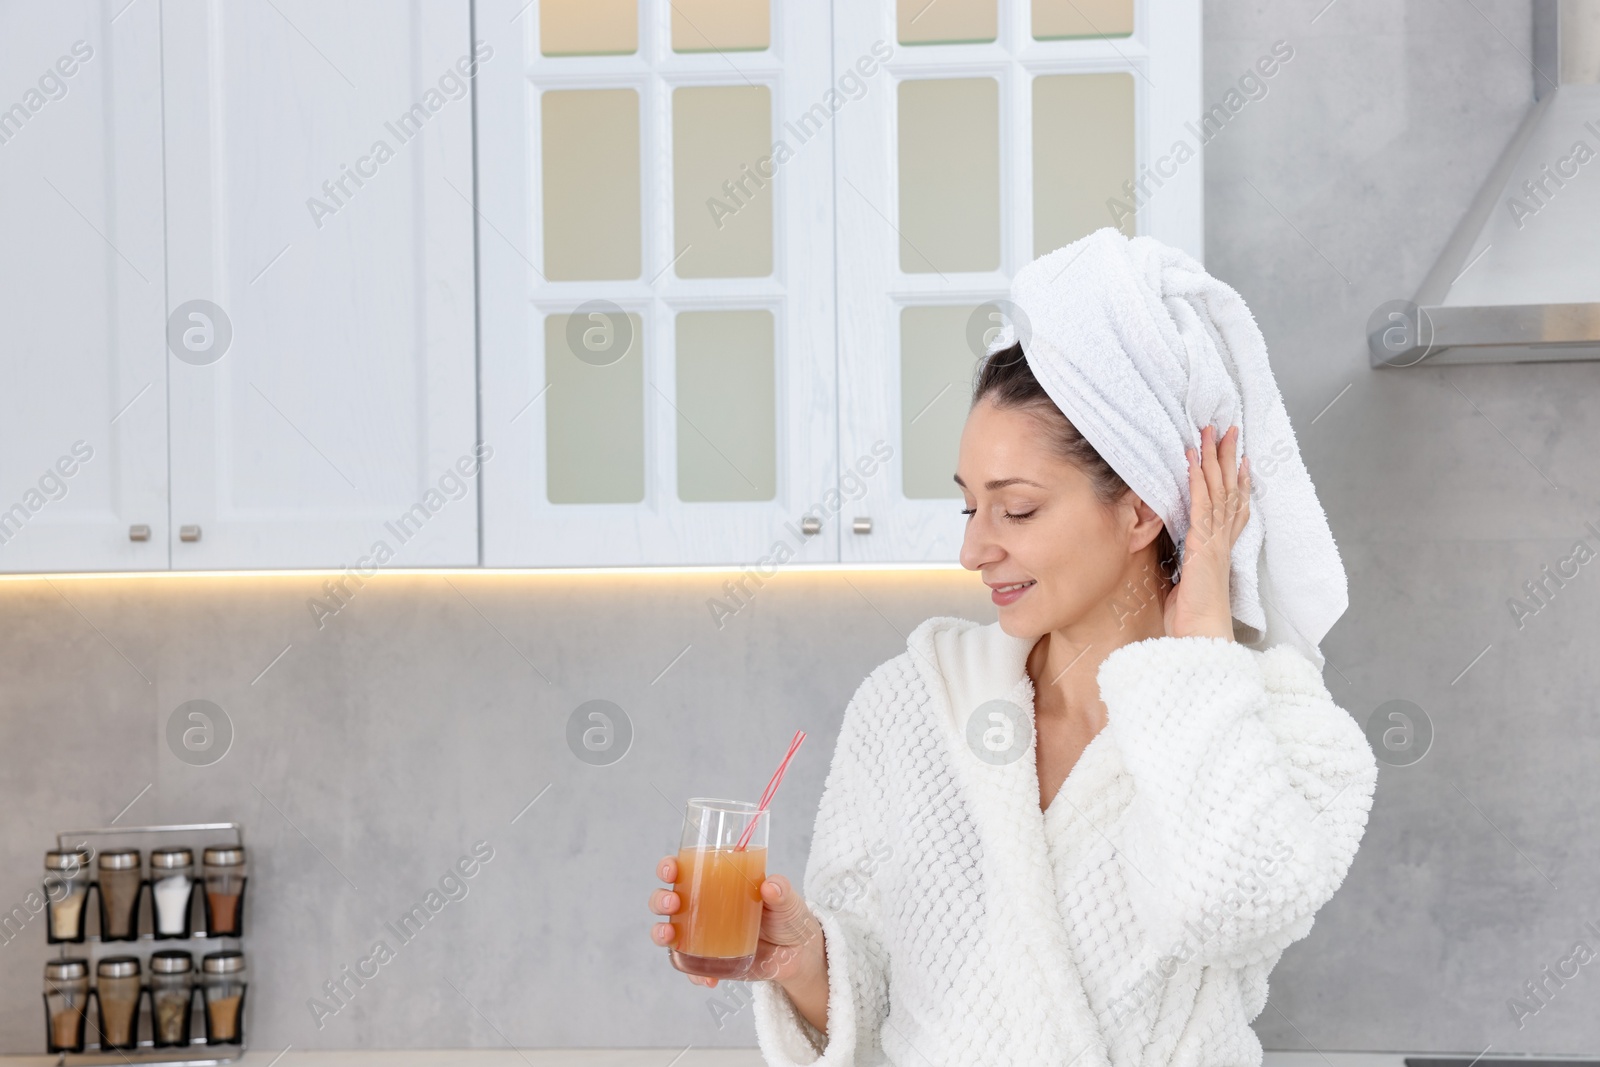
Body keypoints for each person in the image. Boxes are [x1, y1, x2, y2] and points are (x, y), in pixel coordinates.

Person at [648, 231, 1378, 1066]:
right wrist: (804, 960)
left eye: (1018, 510)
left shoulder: (1286, 731)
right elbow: (881, 987)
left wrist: (1201, 649)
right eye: (970, 508)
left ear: (1140, 509)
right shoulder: (911, 704)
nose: (975, 549)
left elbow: (1222, 907)